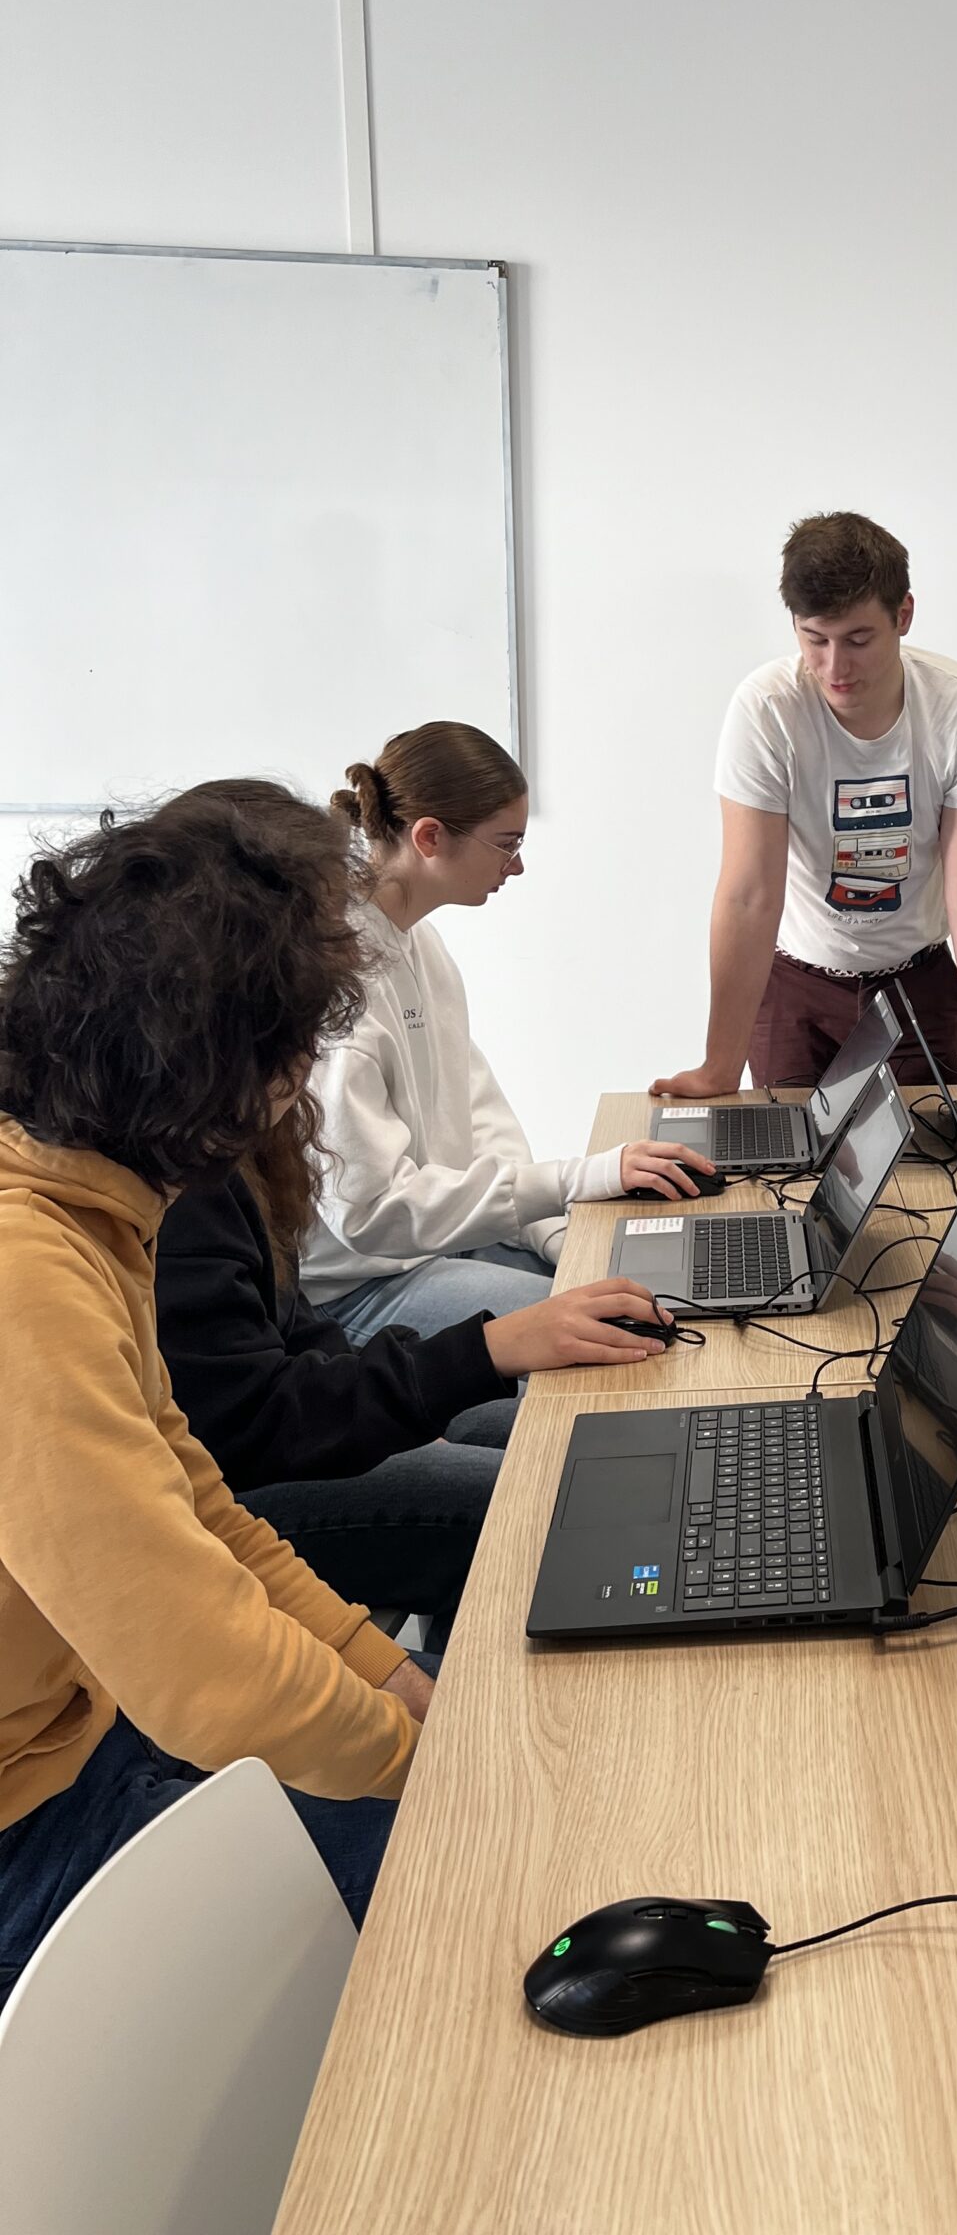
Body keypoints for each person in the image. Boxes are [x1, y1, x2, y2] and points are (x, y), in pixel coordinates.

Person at [0, 781, 429, 1998]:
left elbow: (201, 1506)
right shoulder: (29, 1273)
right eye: (295, 1057)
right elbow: (205, 1671)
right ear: (232, 1077)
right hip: (27, 1822)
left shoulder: (85, 1205)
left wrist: (394, 1681)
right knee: (454, 1899)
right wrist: (435, 1770)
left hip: (81, 1730)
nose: (300, 1087)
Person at [156, 1095, 674, 1652]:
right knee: (538, 1498)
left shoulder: (228, 1143)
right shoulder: (175, 1185)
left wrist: (407, 1411)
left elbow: (287, 1325)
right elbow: (250, 1423)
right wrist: (481, 1352)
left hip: (286, 1420)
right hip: (228, 1490)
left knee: (570, 1446)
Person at [306, 722, 712, 1347]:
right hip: (360, 1284)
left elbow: (476, 1118)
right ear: (430, 837)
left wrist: (555, 1230)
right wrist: (574, 1181)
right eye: (506, 843)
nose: (517, 865)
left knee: (636, 1286)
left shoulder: (421, 945)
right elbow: (370, 1214)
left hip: (435, 1245)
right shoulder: (345, 987)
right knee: (619, 1329)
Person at [653, 511, 957, 1098]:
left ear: (903, 615)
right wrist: (719, 1066)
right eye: (815, 640)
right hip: (795, 986)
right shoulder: (766, 709)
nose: (835, 667)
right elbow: (749, 895)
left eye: (858, 640)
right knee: (786, 1150)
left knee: (932, 1150)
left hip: (917, 984)